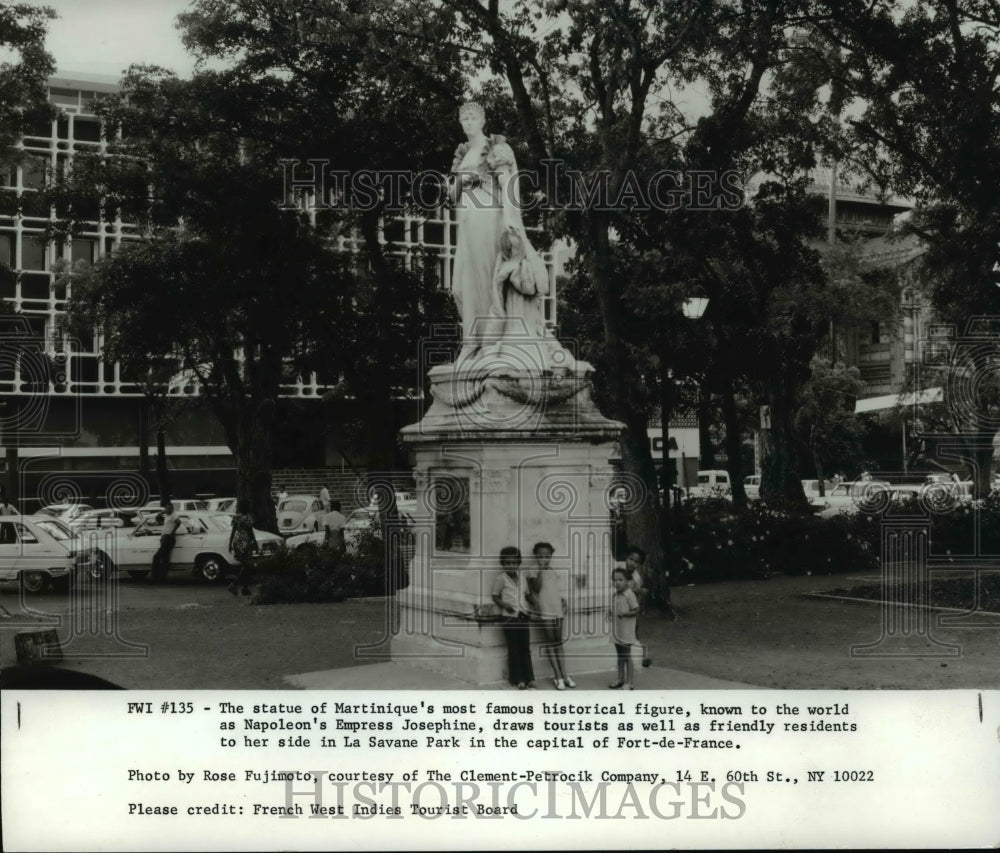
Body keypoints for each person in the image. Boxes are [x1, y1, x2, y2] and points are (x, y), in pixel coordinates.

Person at [449, 101, 558, 360]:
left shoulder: (496, 147)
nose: (469, 122)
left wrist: (511, 224)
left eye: (474, 117)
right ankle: (471, 340)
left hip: (489, 218)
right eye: (464, 118)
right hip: (467, 224)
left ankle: (486, 340)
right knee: (461, 286)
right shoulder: (463, 154)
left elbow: (509, 187)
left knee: (487, 278)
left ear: (483, 120)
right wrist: (462, 181)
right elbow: (451, 195)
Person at [527, 542, 575, 690]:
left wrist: (562, 600)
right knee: (550, 641)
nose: (544, 559)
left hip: (556, 608)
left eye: (547, 556)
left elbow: (552, 590)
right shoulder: (533, 570)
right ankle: (557, 676)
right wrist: (541, 570)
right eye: (541, 556)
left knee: (558, 641)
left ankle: (565, 674)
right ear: (536, 556)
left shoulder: (552, 570)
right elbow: (536, 588)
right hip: (545, 609)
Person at [491, 546, 534, 690]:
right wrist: (504, 605)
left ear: (519, 563)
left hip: (523, 617)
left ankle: (530, 678)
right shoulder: (501, 579)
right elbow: (495, 596)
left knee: (525, 648)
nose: (511, 565)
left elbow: (527, 595)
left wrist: (535, 606)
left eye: (514, 562)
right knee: (514, 649)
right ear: (503, 564)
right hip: (509, 618)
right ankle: (517, 679)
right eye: (508, 563)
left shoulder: (522, 578)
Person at [608, 567, 640, 690]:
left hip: (626, 631)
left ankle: (630, 682)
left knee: (627, 656)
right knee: (620, 655)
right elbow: (614, 609)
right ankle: (620, 678)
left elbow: (636, 610)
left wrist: (625, 614)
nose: (617, 582)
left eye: (620, 579)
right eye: (614, 580)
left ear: (627, 581)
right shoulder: (615, 595)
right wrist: (610, 613)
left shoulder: (629, 595)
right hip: (617, 631)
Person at [623, 546, 654, 666]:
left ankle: (639, 655)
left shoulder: (637, 577)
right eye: (631, 559)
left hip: (629, 607)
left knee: (635, 628)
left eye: (636, 562)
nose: (632, 563)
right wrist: (637, 590)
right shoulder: (617, 567)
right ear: (626, 558)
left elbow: (636, 598)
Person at [227, 506, 258, 597]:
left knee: (244, 565)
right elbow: (250, 531)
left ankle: (245, 588)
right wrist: (255, 541)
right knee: (248, 566)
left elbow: (233, 531)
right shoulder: (248, 517)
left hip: (237, 541)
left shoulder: (236, 517)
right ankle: (234, 584)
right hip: (245, 542)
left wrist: (230, 543)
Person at [151, 502, 181, 583]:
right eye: (166, 508)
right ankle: (162, 578)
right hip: (165, 537)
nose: (167, 510)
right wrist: (162, 512)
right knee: (165, 558)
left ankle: (155, 577)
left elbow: (179, 522)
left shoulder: (173, 515)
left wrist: (172, 533)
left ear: (172, 508)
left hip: (168, 538)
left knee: (156, 557)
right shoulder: (168, 515)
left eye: (169, 508)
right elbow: (157, 517)